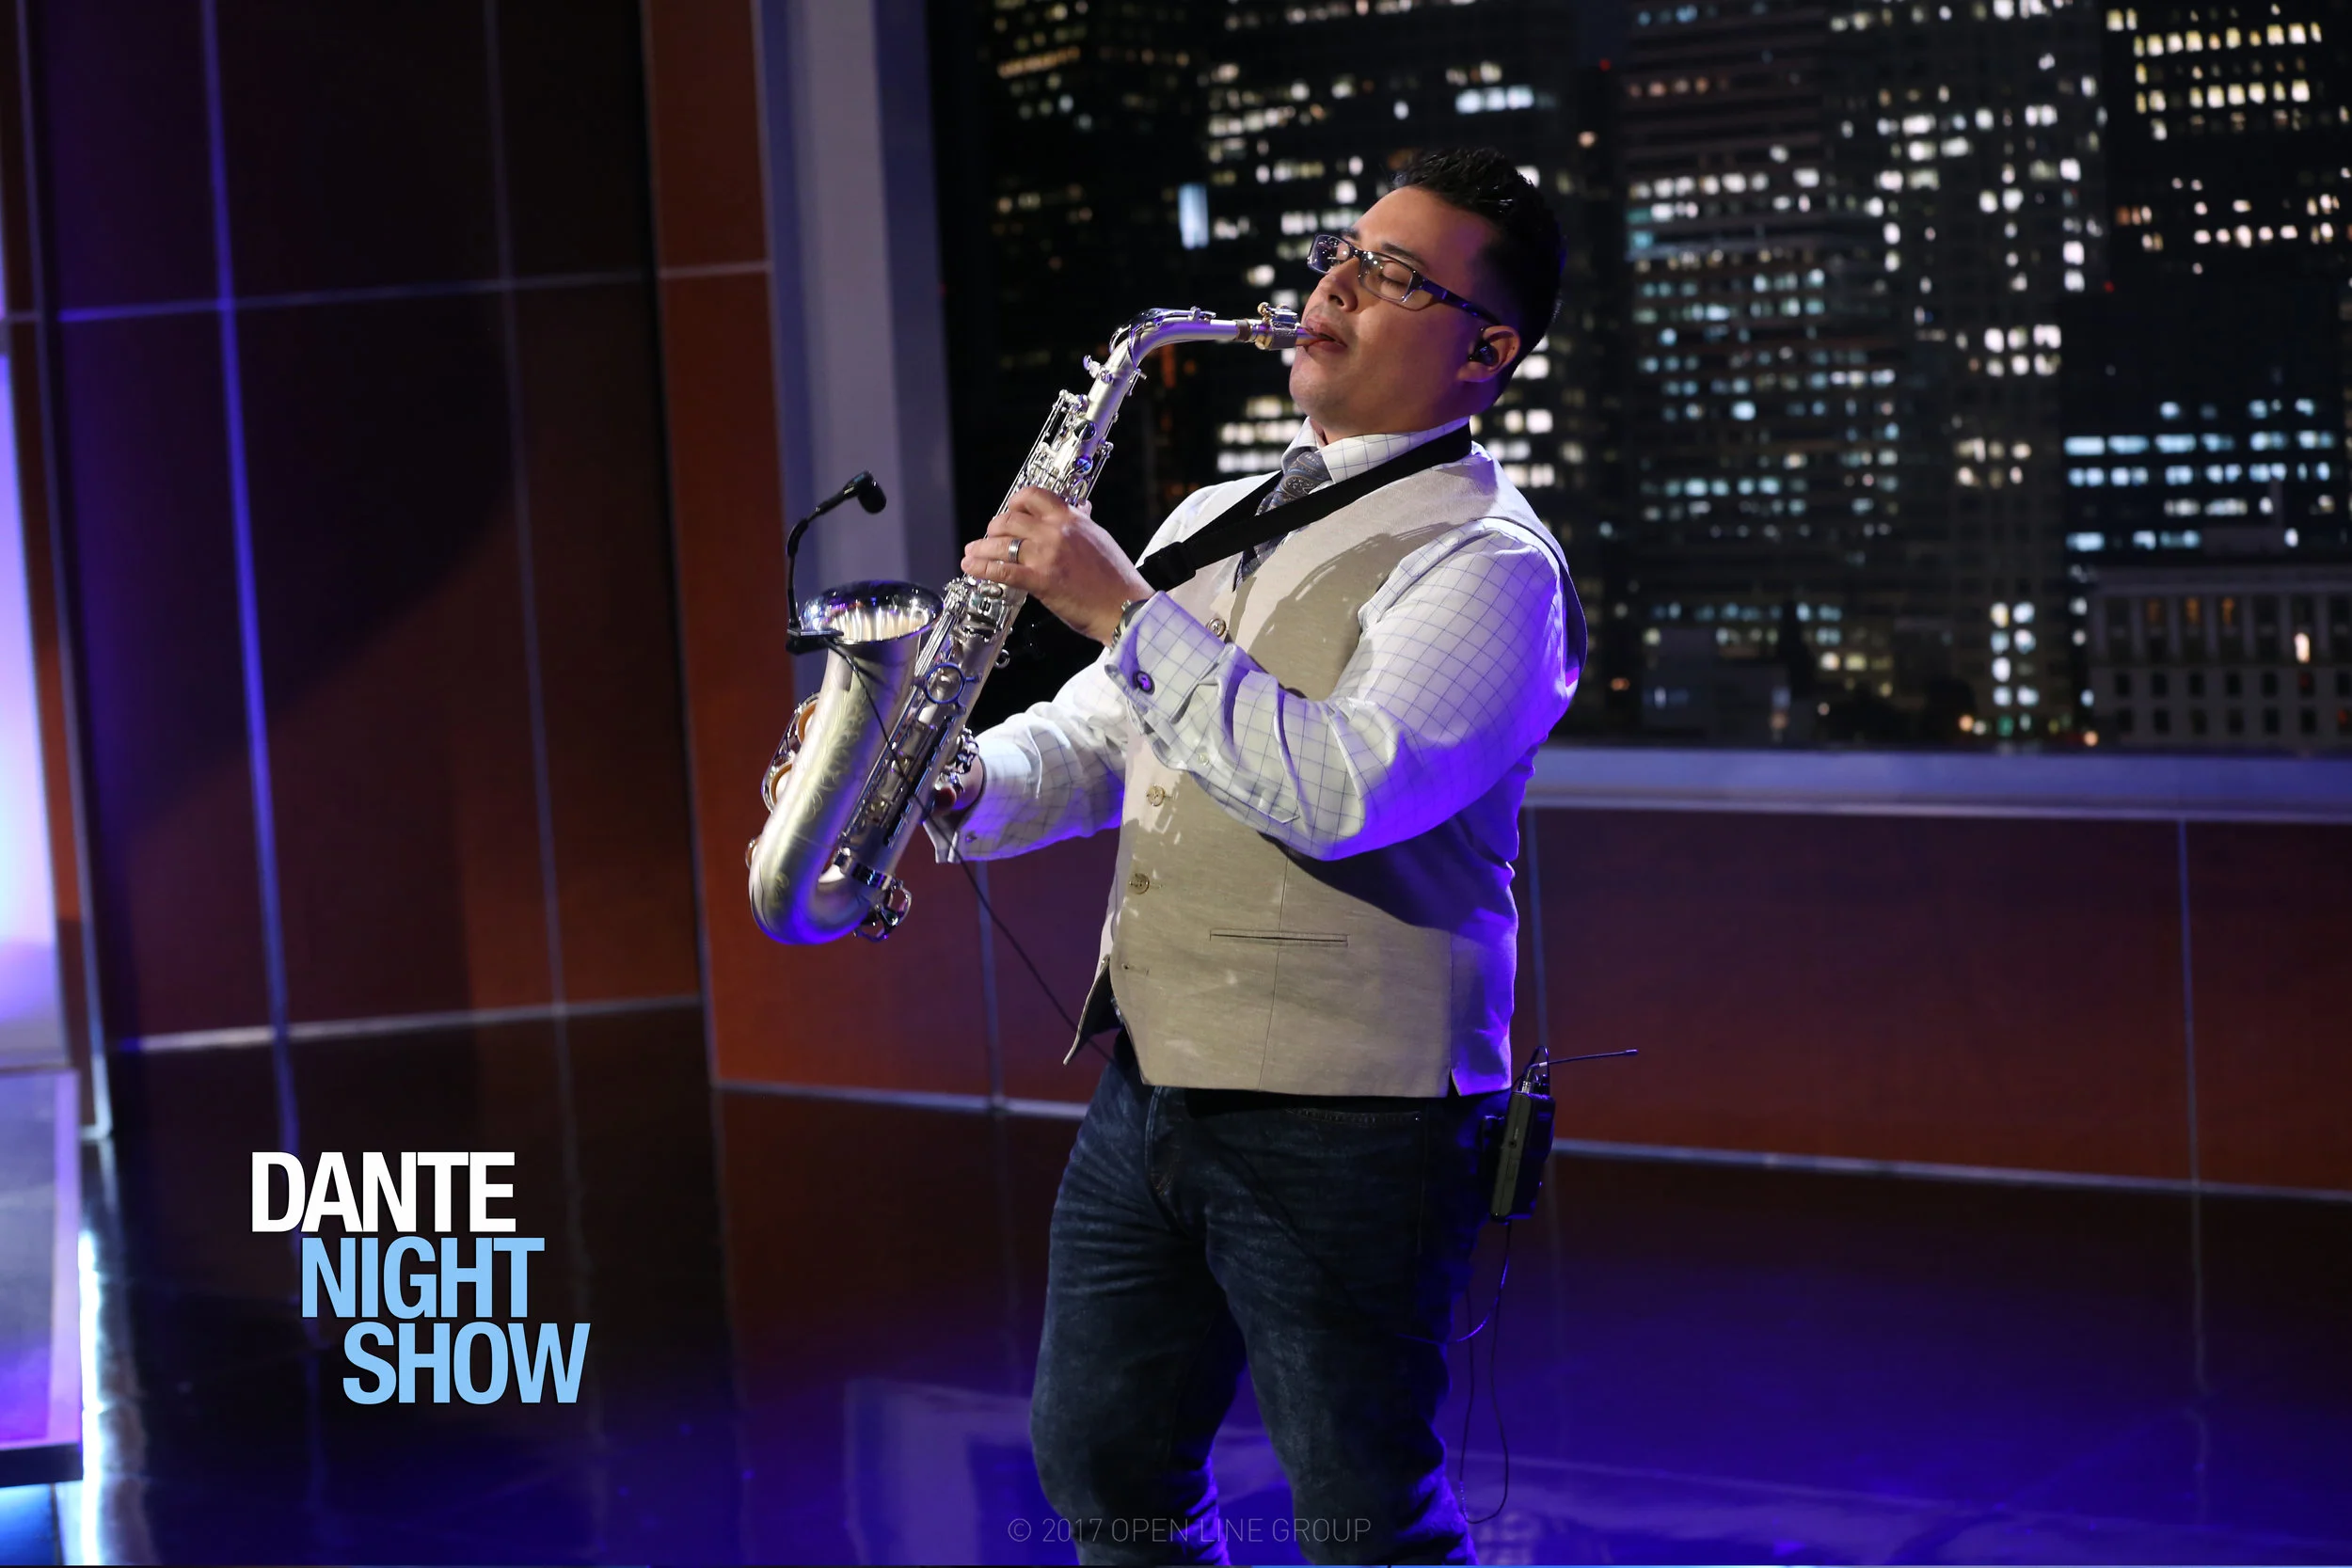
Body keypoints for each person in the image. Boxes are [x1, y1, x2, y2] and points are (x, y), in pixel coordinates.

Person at [928, 147, 1585, 1565]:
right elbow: (1104, 738)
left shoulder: (1491, 561)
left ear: (1486, 353)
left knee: (1363, 1514)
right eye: (1344, 251)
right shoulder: (1215, 516)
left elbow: (1346, 789)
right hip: (1154, 1076)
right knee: (1103, 1466)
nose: (1332, 284)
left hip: (1357, 1119)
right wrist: (951, 774)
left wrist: (1123, 612)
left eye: (1393, 275)